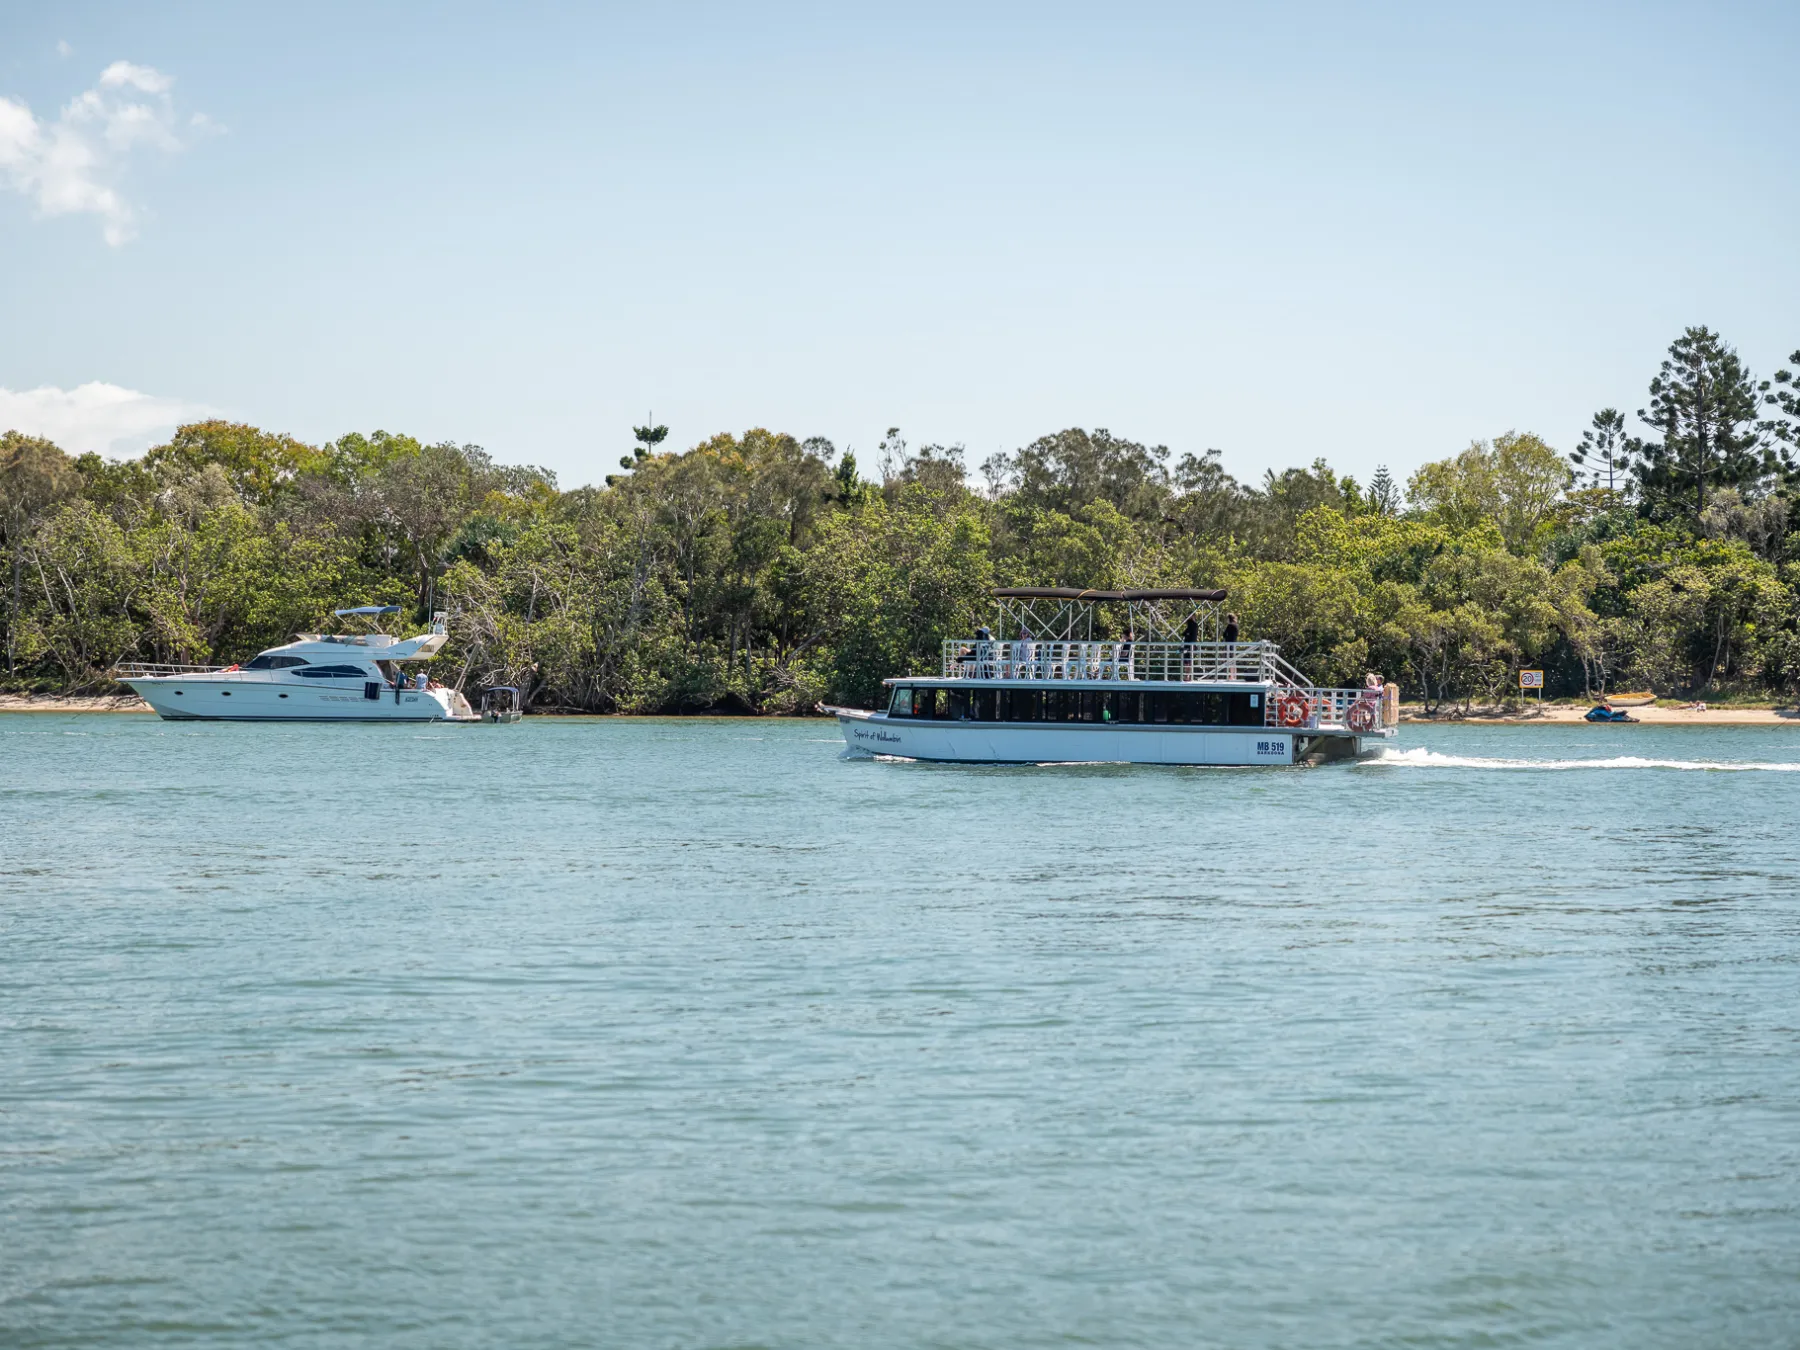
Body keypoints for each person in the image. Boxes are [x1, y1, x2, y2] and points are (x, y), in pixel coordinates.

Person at [1222, 611, 1239, 679]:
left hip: (1229, 644)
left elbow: (1224, 634)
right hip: (1234, 643)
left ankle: (1231, 676)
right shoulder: (1236, 625)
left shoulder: (1230, 625)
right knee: (1233, 660)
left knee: (1230, 660)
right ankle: (1234, 675)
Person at [1182, 615, 1199, 679]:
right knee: (1188, 660)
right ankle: (1187, 675)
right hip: (1190, 645)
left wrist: (1187, 634)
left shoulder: (1192, 624)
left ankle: (1187, 675)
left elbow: (1185, 633)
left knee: (1187, 660)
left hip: (1189, 645)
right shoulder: (1193, 624)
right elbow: (1185, 633)